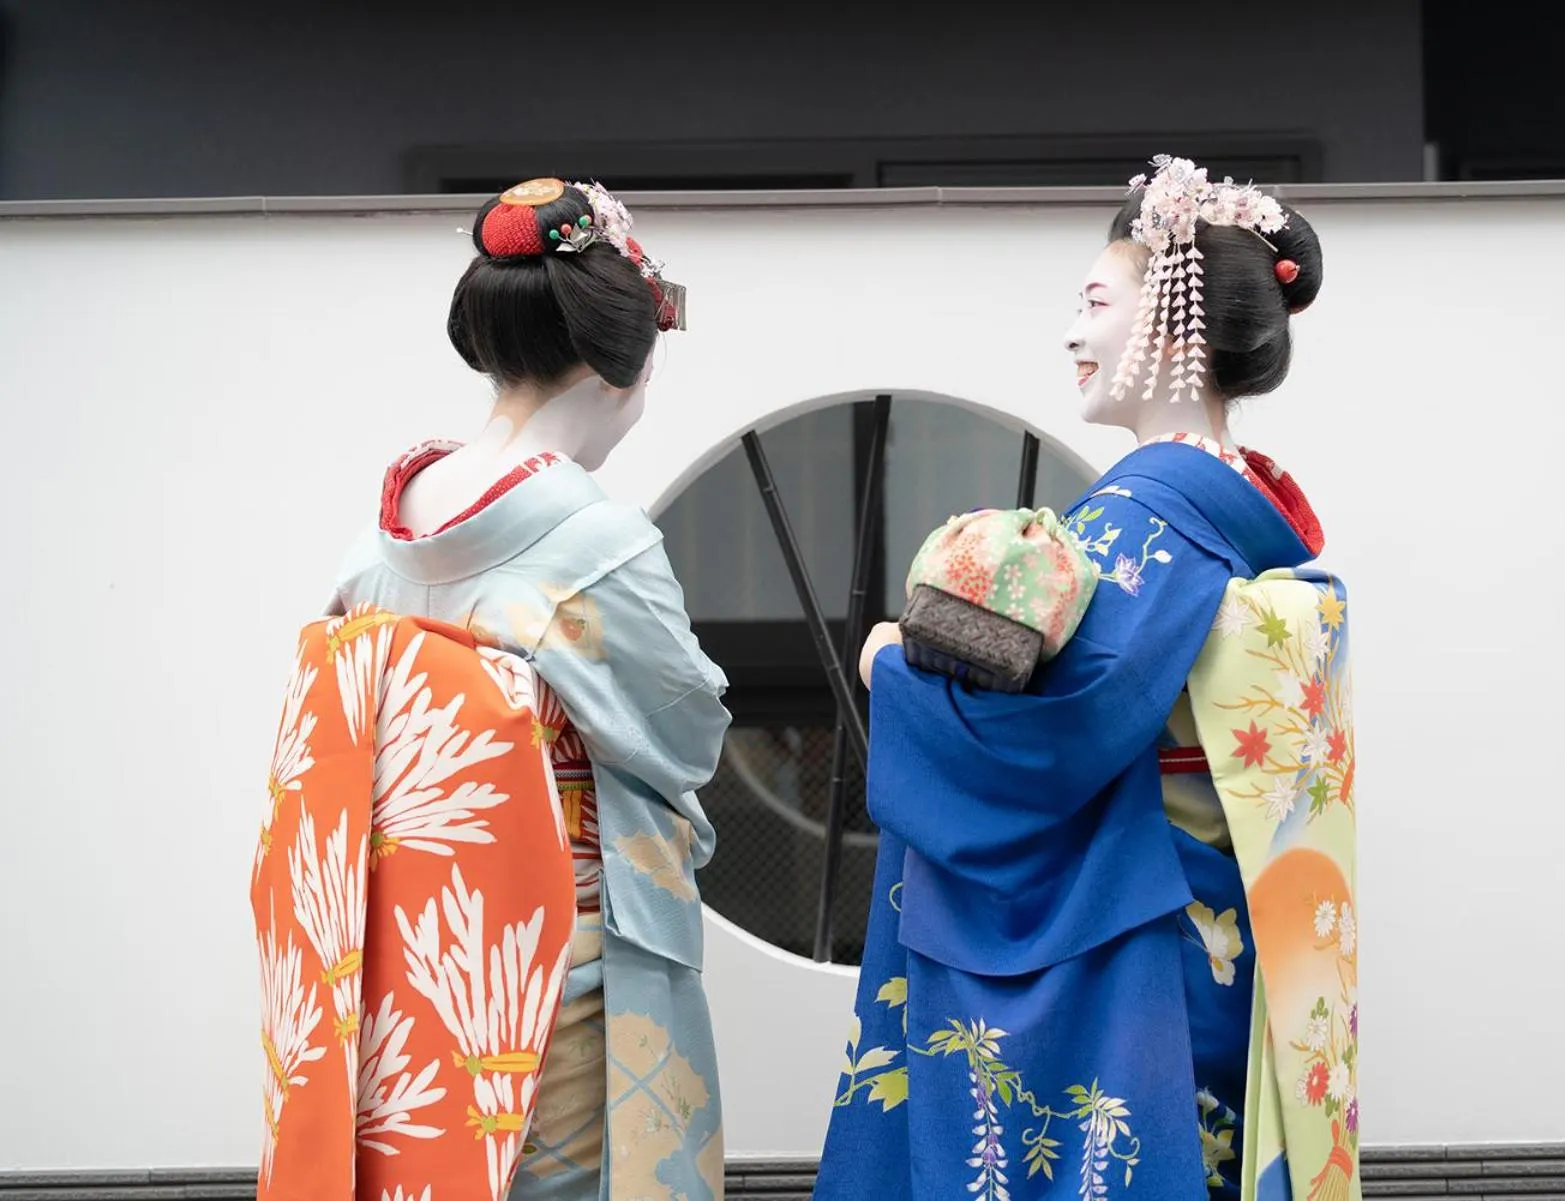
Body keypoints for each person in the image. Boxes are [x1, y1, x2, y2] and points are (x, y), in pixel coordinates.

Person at [815, 157, 1358, 1201]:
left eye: (1097, 304)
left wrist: (891, 668)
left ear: (1176, 323)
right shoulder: (1234, 514)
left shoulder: (1146, 522)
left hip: (1150, 949)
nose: (1073, 333)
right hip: (1224, 923)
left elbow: (1055, 738)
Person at [253, 176, 729, 1201]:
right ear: (619, 366)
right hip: (553, 958)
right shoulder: (596, 542)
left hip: (408, 956)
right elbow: (686, 735)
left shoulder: (376, 544)